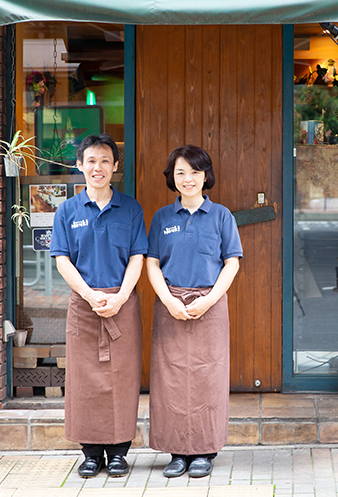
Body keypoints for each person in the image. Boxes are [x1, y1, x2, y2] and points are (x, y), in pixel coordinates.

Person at [50, 133, 148, 478]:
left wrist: (120, 296)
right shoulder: (67, 210)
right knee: (85, 381)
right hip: (84, 306)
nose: (98, 167)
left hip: (123, 303)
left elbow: (138, 256)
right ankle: (90, 453)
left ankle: (120, 451)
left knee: (122, 378)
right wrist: (91, 296)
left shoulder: (131, 208)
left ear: (115, 167)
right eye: (91, 161)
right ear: (79, 166)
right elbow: (62, 259)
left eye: (105, 161)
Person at [146, 145, 242, 479]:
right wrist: (170, 301)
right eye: (181, 172)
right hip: (169, 304)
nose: (188, 179)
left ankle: (204, 451)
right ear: (172, 177)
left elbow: (231, 263)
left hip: (210, 305)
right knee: (169, 378)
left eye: (195, 172)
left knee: (208, 377)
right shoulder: (162, 218)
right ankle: (176, 451)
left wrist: (209, 299)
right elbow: (152, 264)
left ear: (206, 176)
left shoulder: (221, 216)